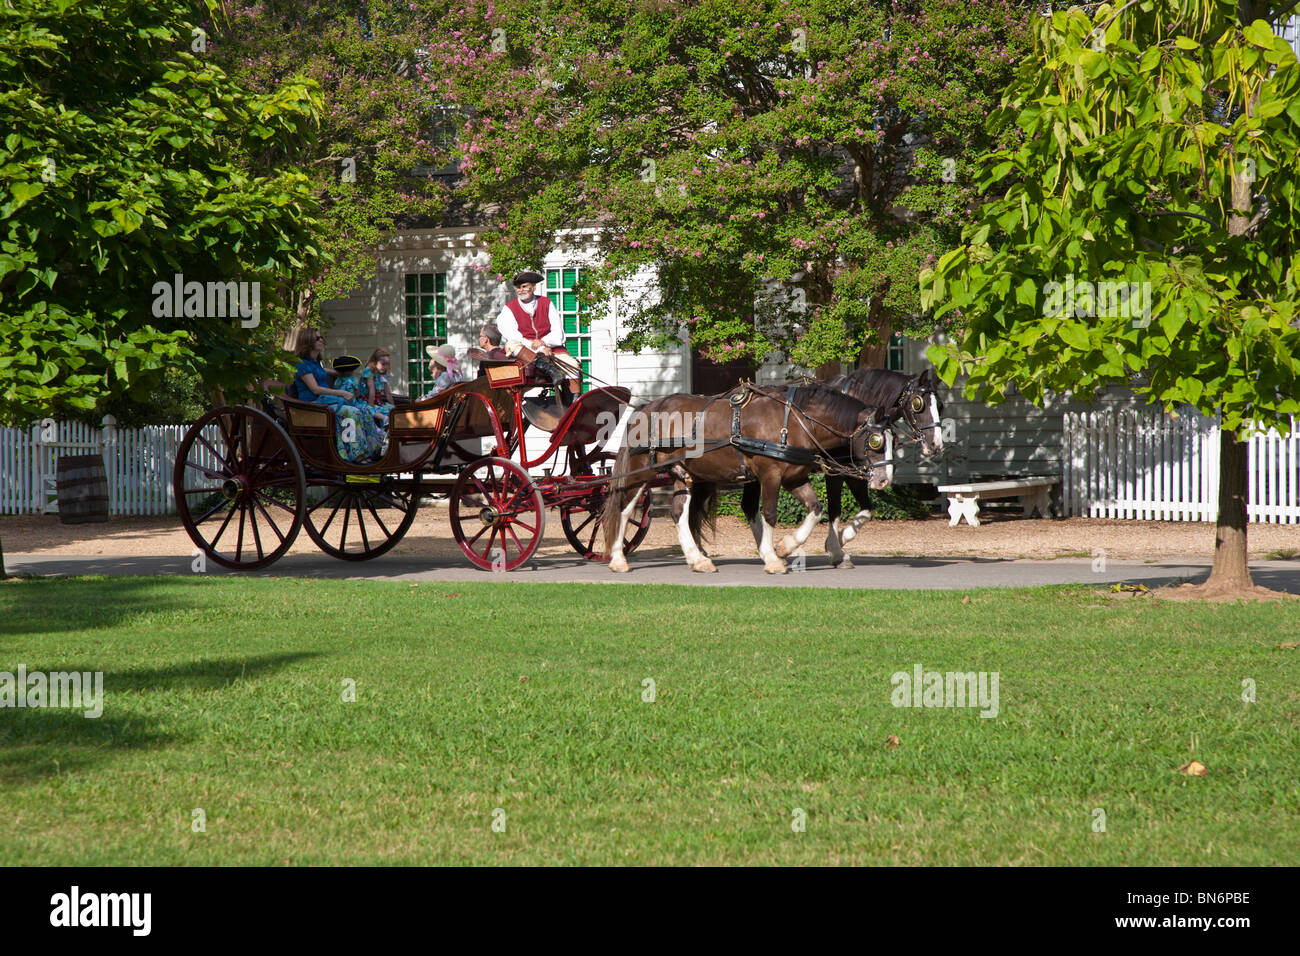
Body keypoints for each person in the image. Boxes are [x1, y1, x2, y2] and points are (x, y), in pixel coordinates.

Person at [290, 329, 385, 463]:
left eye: (321, 337)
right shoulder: (302, 364)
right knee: (350, 412)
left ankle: (374, 450)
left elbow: (324, 371)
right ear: (308, 341)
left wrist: (344, 374)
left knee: (364, 410)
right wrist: (342, 392)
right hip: (313, 406)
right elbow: (315, 389)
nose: (321, 340)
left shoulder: (315, 363)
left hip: (326, 402)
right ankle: (355, 454)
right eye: (317, 338)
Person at [495, 271, 581, 393]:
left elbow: (558, 333)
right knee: (511, 345)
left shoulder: (546, 303)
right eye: (518, 288)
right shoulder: (509, 308)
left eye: (524, 286)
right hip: (524, 351)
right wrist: (538, 349)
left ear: (533, 287)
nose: (520, 290)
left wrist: (544, 343)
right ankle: (550, 370)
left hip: (550, 349)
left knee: (573, 365)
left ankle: (572, 404)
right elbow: (513, 336)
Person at [358, 348, 394, 425]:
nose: (385, 367)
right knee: (369, 410)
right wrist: (371, 407)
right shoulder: (369, 371)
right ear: (375, 362)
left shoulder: (383, 373)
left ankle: (388, 429)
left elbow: (387, 393)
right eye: (383, 364)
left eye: (387, 364)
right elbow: (371, 391)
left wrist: (393, 407)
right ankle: (385, 420)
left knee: (392, 410)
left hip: (377, 401)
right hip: (365, 401)